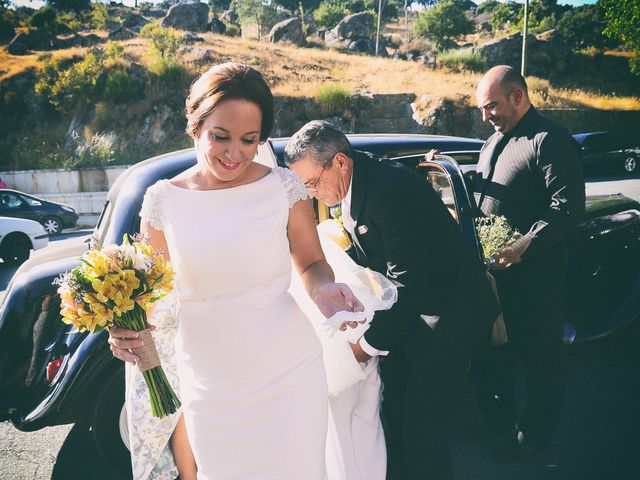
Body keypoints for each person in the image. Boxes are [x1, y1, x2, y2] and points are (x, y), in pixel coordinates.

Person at [108, 63, 367, 480]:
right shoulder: (162, 203)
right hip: (211, 384)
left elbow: (312, 262)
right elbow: (151, 302)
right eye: (220, 137)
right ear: (195, 127)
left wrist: (323, 290)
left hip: (290, 375)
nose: (234, 154)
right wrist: (126, 330)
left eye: (250, 140)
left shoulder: (285, 187)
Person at [285, 120, 500, 480]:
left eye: (311, 183)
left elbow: (408, 284)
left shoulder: (389, 191)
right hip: (412, 317)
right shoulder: (353, 180)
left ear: (340, 162)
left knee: (422, 428)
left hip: (447, 316)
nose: (310, 194)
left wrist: (364, 347)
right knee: (395, 412)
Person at [471, 65, 585, 460]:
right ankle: (498, 418)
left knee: (541, 358)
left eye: (491, 107)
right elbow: (486, 190)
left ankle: (535, 438)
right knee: (494, 353)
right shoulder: (491, 143)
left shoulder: (550, 140)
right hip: (494, 277)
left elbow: (568, 209)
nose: (486, 116)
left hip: (536, 277)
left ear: (518, 95)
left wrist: (523, 246)